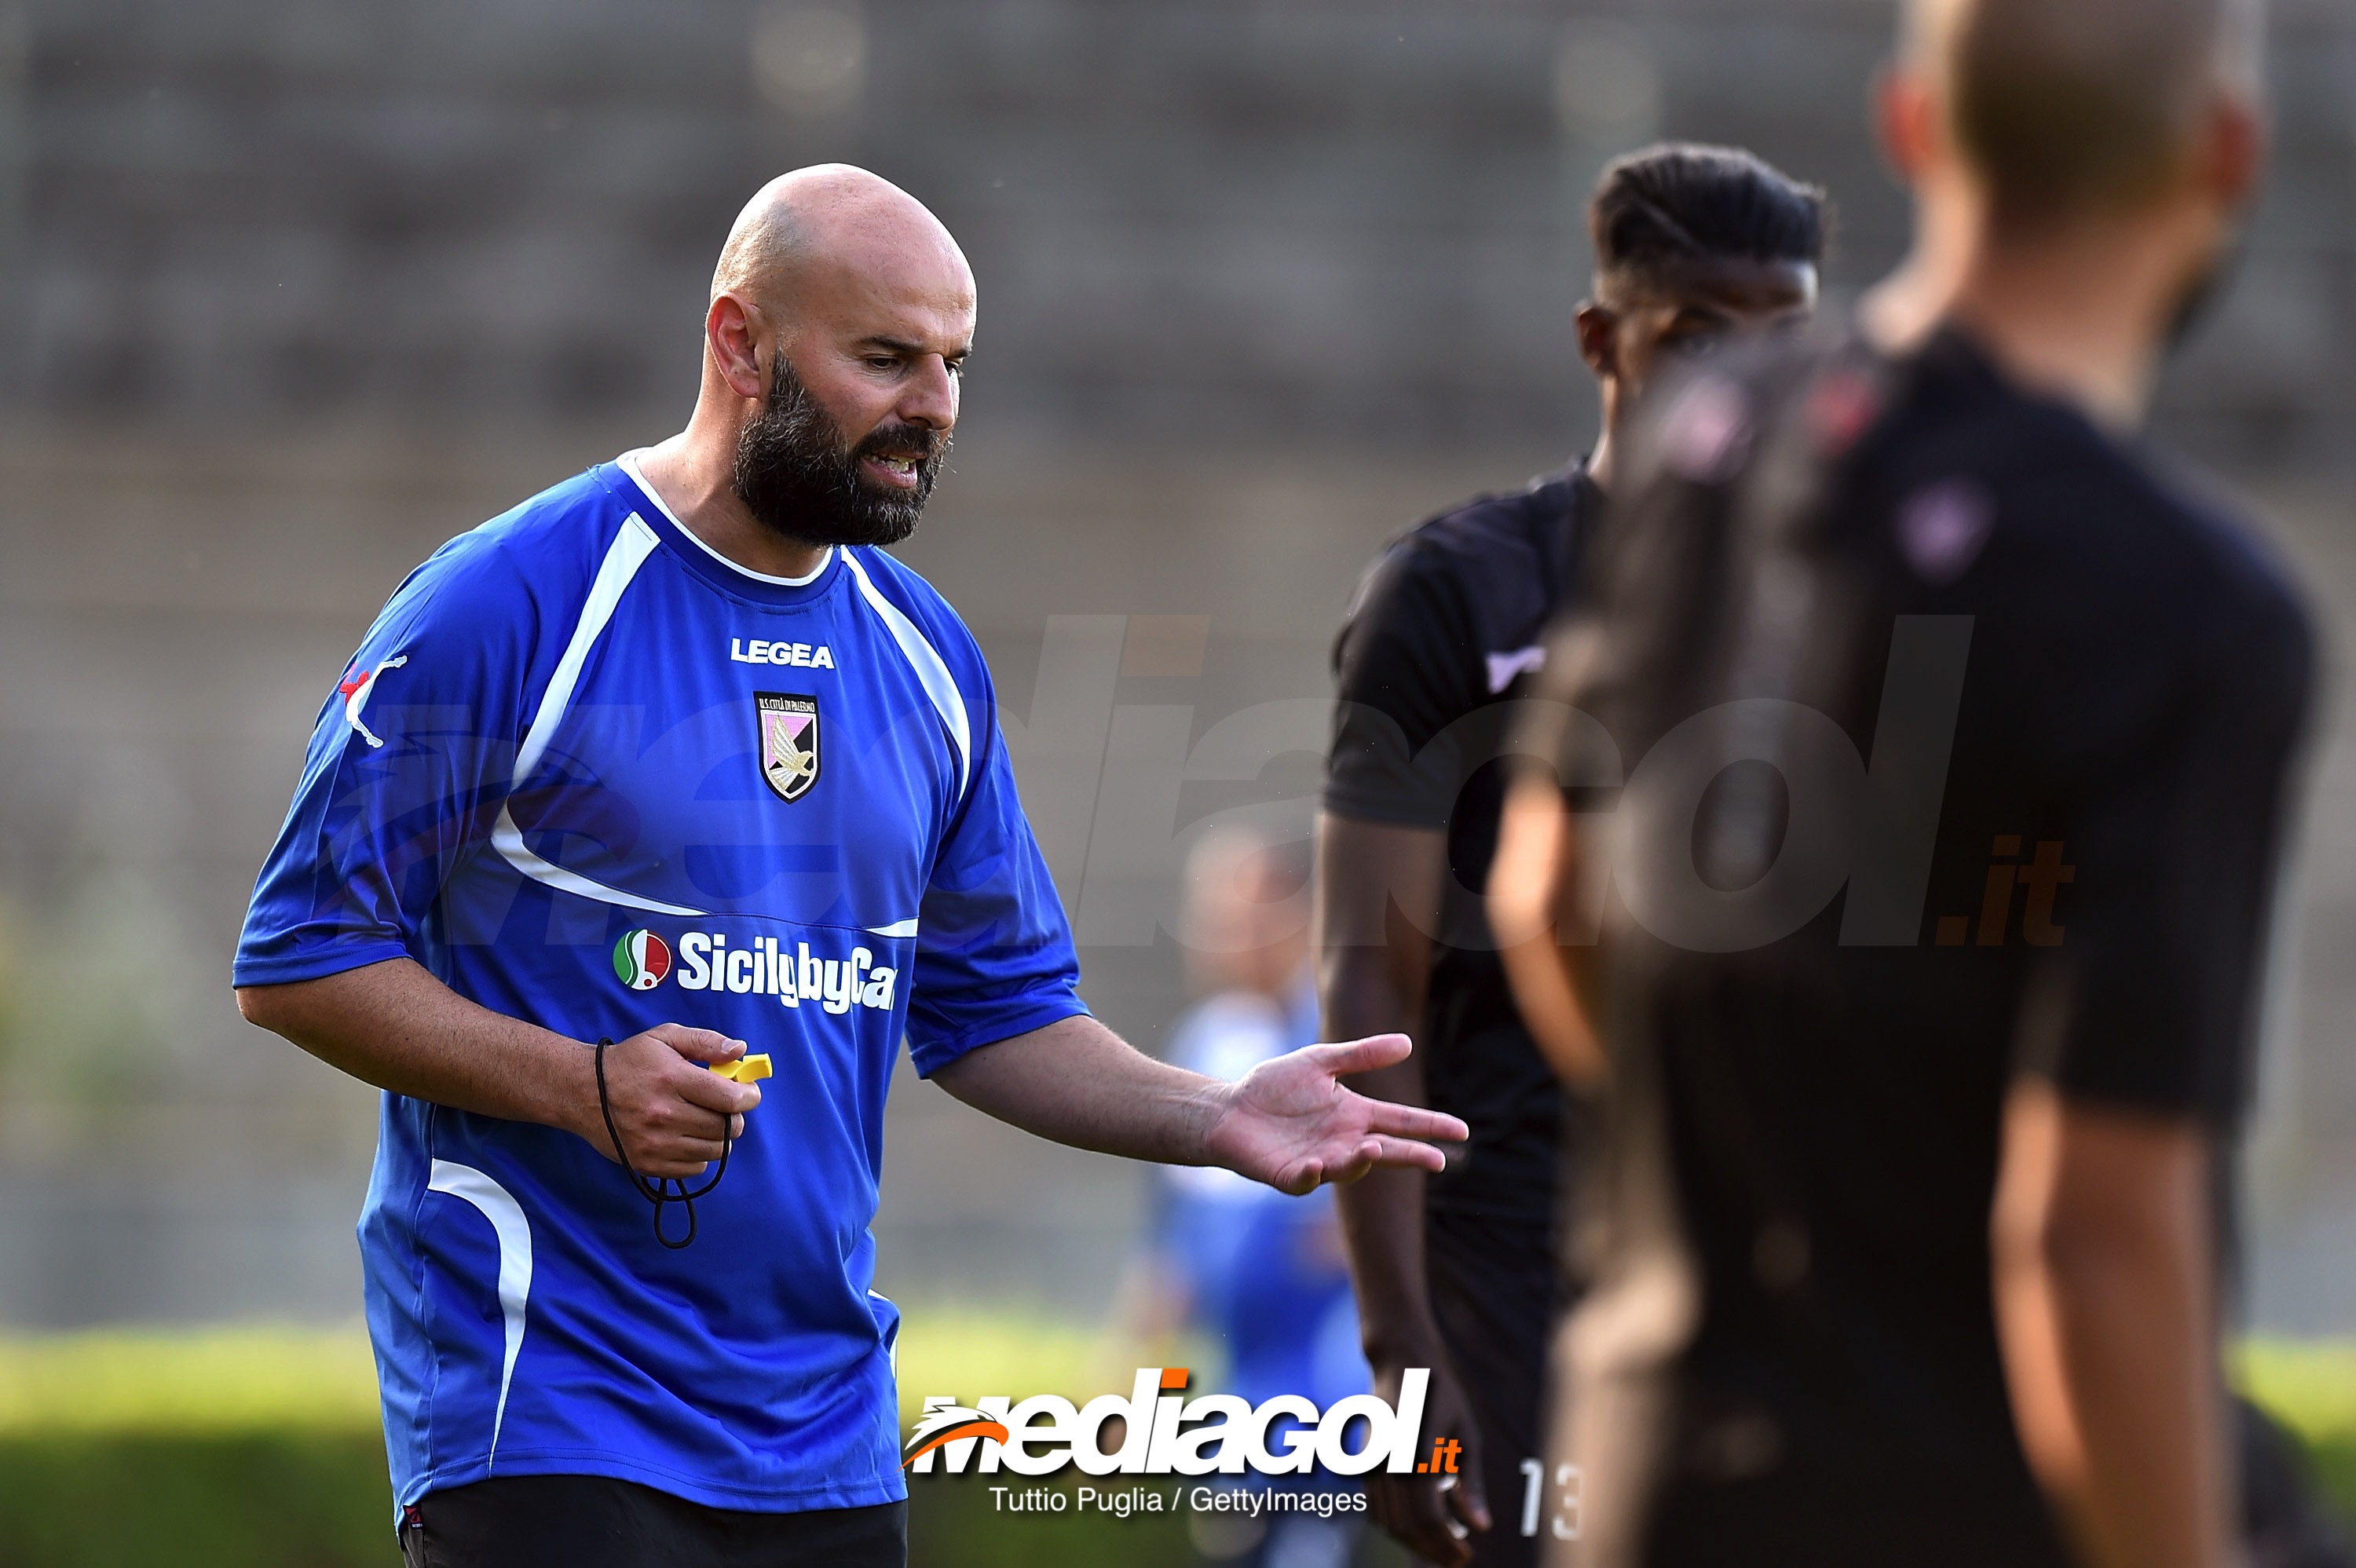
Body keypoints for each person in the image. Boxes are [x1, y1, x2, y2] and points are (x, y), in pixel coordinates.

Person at [230, 164, 1465, 1568]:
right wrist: (580, 1085)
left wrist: (1217, 1110)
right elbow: (300, 959)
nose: (932, 404)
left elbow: (997, 1010)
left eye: (952, 363)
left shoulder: (927, 654)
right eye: (885, 357)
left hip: (820, 1425)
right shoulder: (509, 599)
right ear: (740, 342)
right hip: (546, 1402)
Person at [1491, 3, 2307, 1566]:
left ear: (1913, 128)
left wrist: (1768, 1183)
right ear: (2227, 154)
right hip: (1959, 1500)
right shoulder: (2183, 603)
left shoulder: (1700, 437)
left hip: (1651, 1469)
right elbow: (2097, 1235)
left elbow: (1551, 892)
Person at [1317, 144, 1824, 1568]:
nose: (1740, 382)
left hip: (1766, 1265)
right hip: (1508, 1254)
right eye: (1697, 339)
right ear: (1604, 339)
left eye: (1781, 343)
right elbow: (1371, 966)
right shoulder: (1462, 586)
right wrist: (1404, 1345)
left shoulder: (1854, 589)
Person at [1108, 828, 1369, 1568]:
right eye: (1212, 913)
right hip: (1238, 1398)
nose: (1223, 935)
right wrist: (1127, 1376)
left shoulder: (1340, 1041)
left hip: (1324, 1396)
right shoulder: (1198, 1046)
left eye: (1244, 913)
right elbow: (1170, 1248)